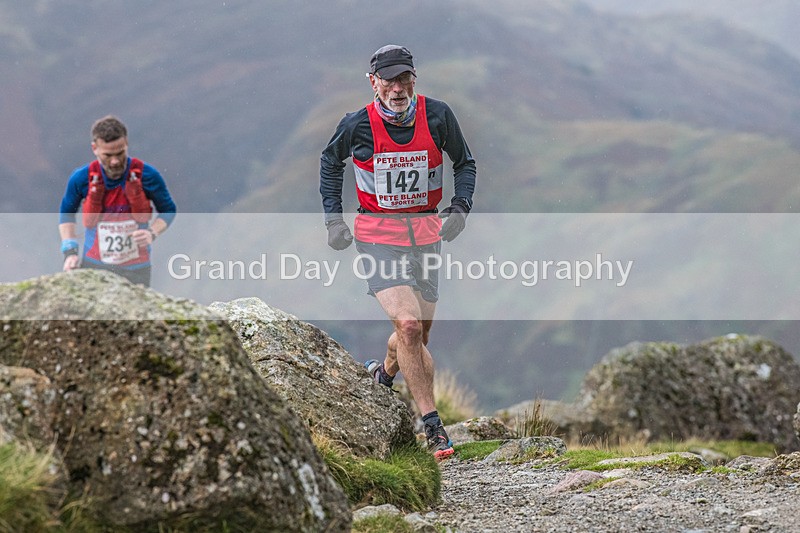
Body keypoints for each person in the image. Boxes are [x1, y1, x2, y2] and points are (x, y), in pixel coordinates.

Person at [320, 45, 476, 460]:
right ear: (373, 83)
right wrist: (334, 221)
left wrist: (460, 208)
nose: (397, 87)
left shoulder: (438, 115)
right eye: (388, 80)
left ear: (414, 79)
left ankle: (383, 372)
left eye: (404, 78)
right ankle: (433, 427)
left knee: (417, 338)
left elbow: (465, 163)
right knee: (408, 325)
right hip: (376, 234)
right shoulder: (357, 125)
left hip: (426, 233)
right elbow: (330, 163)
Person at [59, 115, 177, 287]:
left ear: (126, 144)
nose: (115, 161)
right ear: (94, 148)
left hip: (137, 269)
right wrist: (70, 252)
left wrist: (152, 233)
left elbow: (168, 209)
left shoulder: (148, 175)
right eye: (107, 155)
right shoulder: (81, 178)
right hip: (94, 267)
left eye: (120, 153)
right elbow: (67, 214)